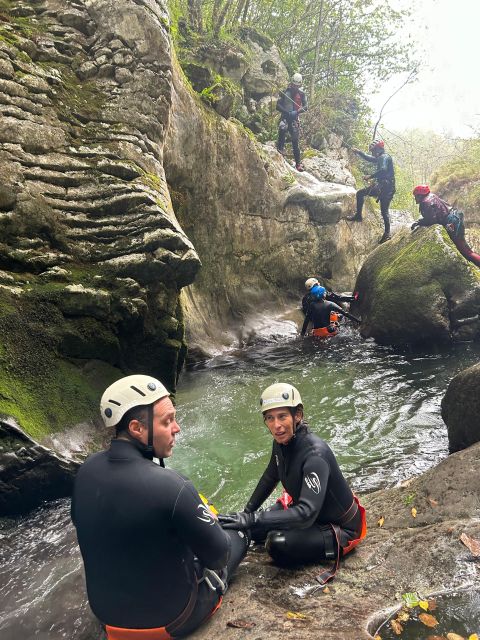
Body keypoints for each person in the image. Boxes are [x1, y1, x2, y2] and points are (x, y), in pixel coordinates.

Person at [71, 374, 249, 640]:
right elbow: (218, 556)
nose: (177, 428)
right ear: (137, 428)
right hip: (172, 620)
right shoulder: (173, 486)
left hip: (107, 618)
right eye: (168, 421)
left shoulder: (86, 471)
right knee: (237, 535)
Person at [218, 383, 366, 584]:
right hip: (307, 512)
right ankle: (219, 569)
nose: (276, 425)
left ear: (297, 416)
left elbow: (306, 513)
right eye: (270, 418)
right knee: (245, 527)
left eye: (282, 416)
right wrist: (246, 513)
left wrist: (254, 518)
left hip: (338, 528)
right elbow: (271, 476)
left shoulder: (315, 455)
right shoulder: (281, 442)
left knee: (276, 543)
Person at [411, 185, 480, 268]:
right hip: (455, 217)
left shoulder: (425, 202)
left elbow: (431, 220)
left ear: (419, 195)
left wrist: (420, 222)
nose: (415, 198)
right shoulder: (432, 196)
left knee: (465, 251)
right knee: (465, 250)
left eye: (415, 196)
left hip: (451, 222)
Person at [347, 140, 395, 244]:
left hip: (386, 189)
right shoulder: (381, 157)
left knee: (384, 211)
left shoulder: (384, 157)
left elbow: (383, 170)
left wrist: (370, 176)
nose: (372, 153)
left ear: (378, 150)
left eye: (373, 151)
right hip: (383, 187)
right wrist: (359, 152)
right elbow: (369, 158)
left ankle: (387, 234)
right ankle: (358, 216)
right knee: (360, 193)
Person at [276, 72, 308, 172]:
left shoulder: (302, 94)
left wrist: (296, 112)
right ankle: (280, 151)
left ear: (300, 85)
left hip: (294, 119)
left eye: (297, 85)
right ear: (291, 83)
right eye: (294, 85)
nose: (295, 87)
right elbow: (278, 105)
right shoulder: (285, 91)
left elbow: (306, 107)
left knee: (295, 141)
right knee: (282, 129)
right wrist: (287, 112)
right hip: (285, 117)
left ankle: (298, 164)